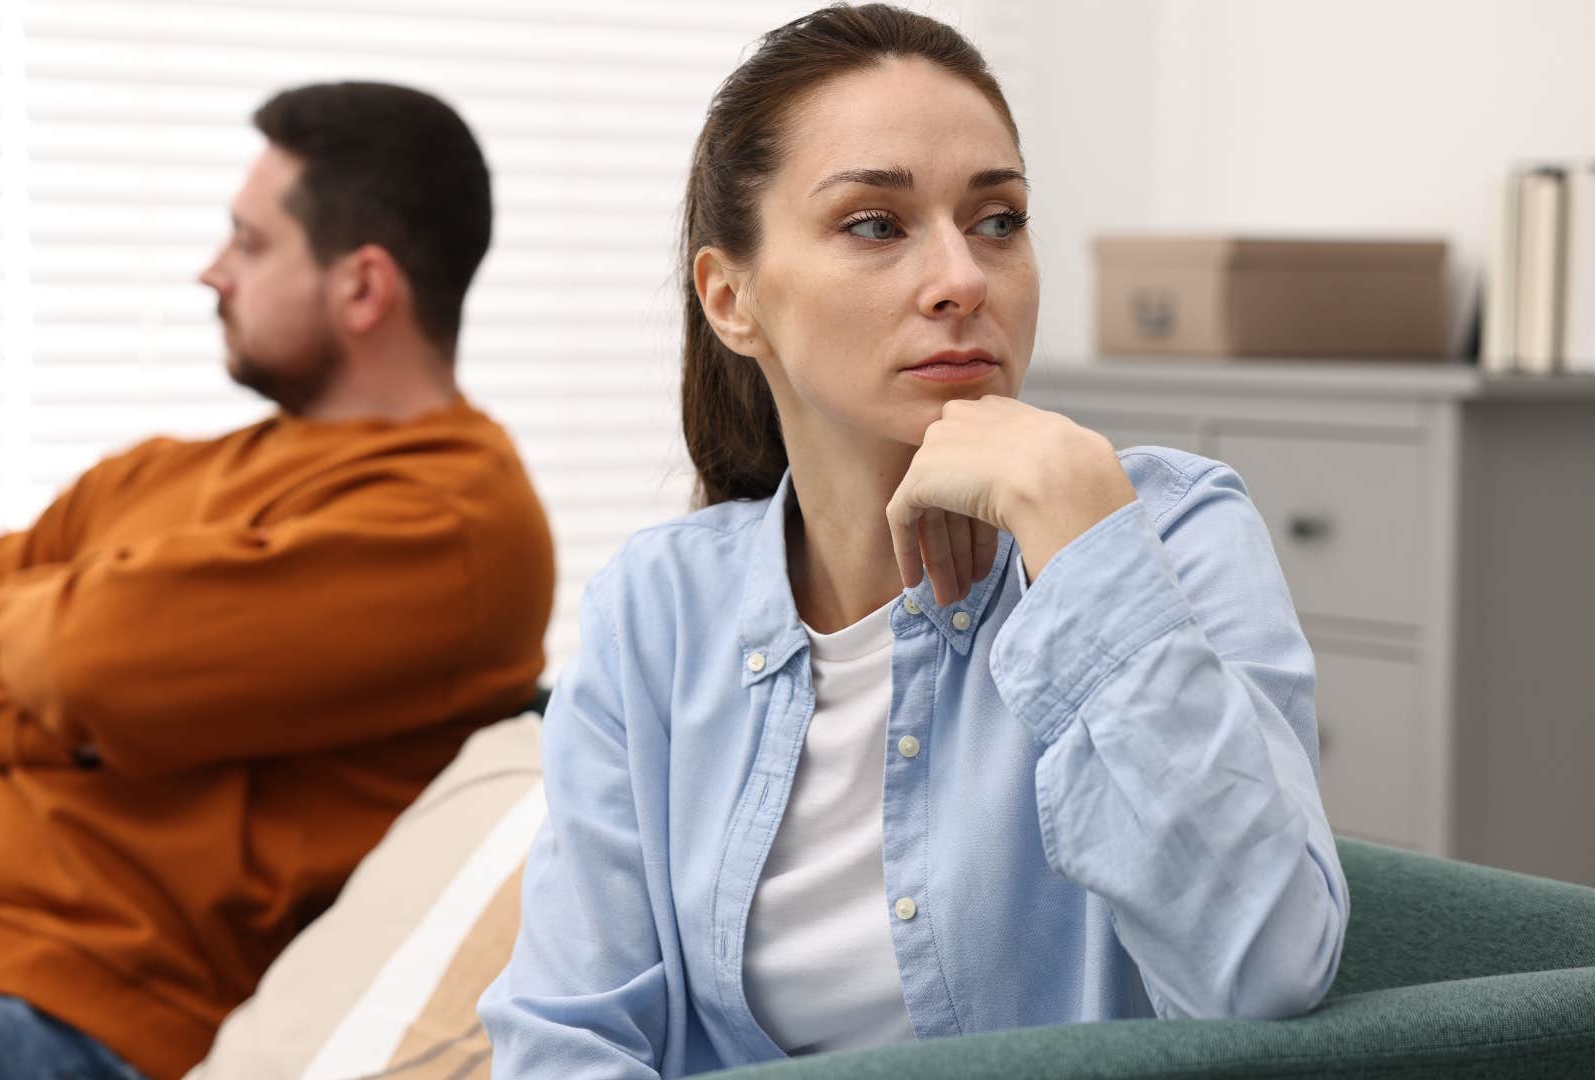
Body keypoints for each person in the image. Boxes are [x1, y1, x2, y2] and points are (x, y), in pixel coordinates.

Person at [478, 6, 1347, 1075]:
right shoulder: (656, 612)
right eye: (876, 225)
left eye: (998, 220)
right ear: (730, 297)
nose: (964, 280)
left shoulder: (1170, 534)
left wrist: (1084, 536)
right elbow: (567, 1035)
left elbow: (1265, 969)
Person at [0, 82, 555, 1080]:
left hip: (75, 1019)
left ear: (362, 288)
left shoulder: (453, 523)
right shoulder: (155, 473)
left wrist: (76, 674)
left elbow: (95, 659)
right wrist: (84, 723)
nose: (210, 272)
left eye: (249, 245)